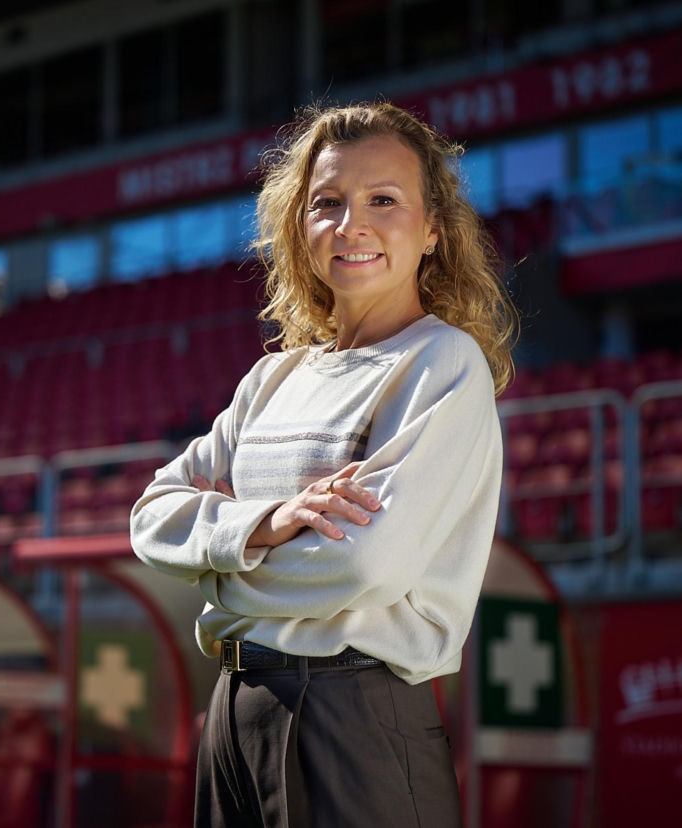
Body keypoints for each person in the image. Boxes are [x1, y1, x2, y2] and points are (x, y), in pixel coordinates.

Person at [129, 101, 518, 828]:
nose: (351, 224)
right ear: (298, 227)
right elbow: (151, 517)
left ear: (433, 229)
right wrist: (263, 525)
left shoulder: (441, 365)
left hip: (355, 717)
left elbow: (363, 566)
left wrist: (217, 573)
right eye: (327, 203)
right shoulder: (271, 380)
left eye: (383, 200)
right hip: (234, 714)